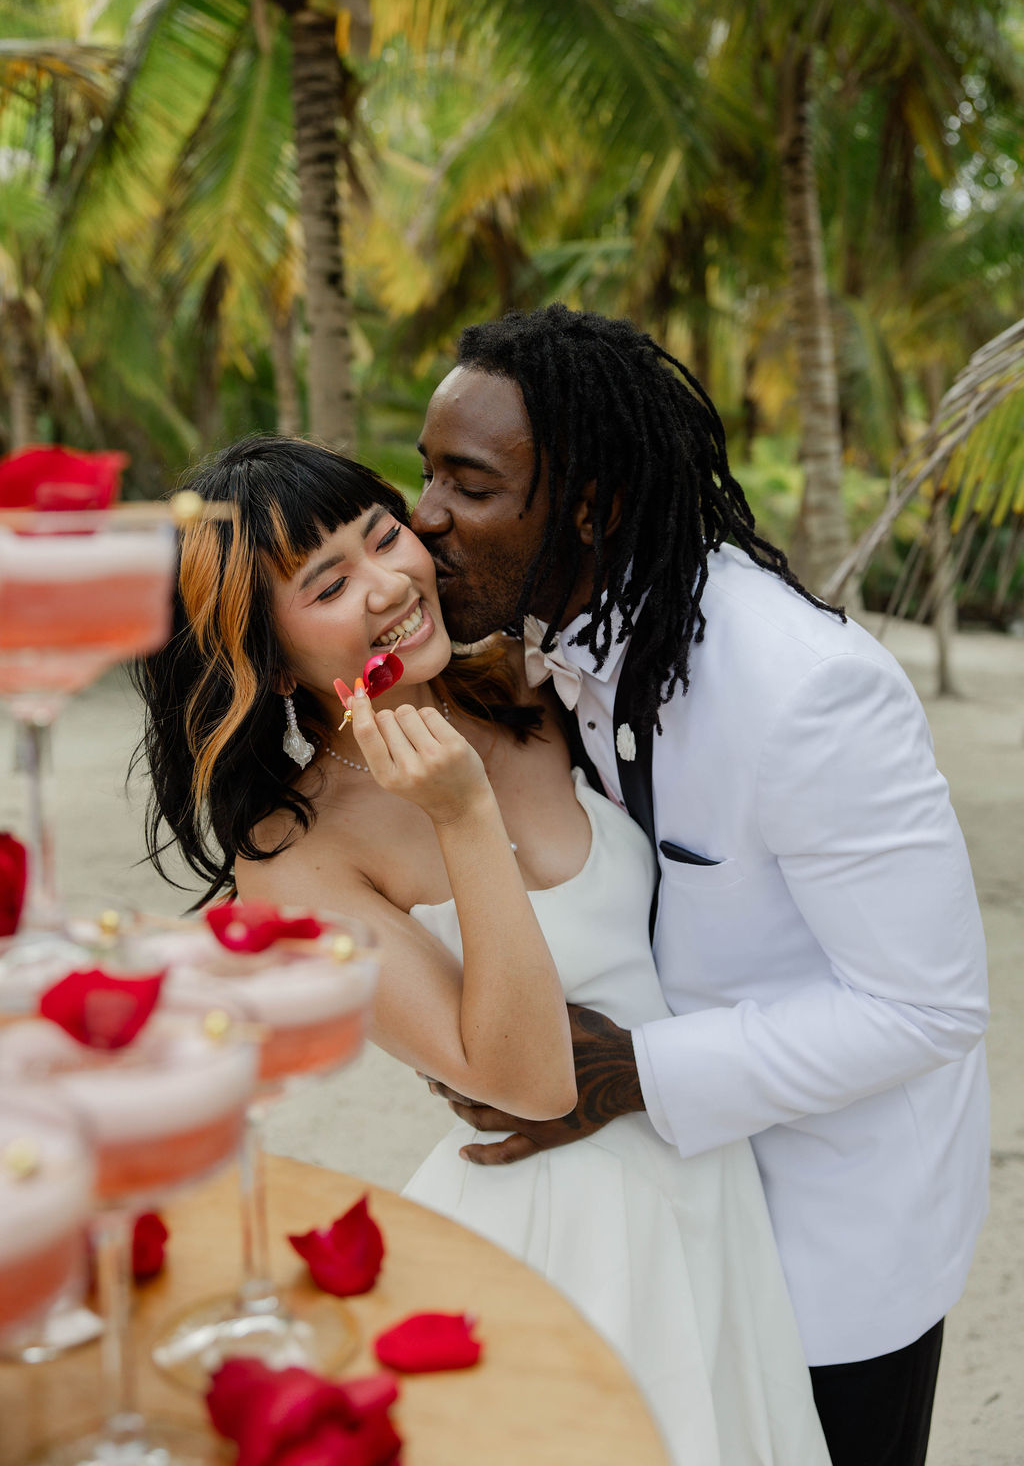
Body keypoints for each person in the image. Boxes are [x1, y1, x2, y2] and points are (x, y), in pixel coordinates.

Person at [135, 435, 830, 1466]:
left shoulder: (531, 685)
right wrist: (463, 819)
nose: (388, 584)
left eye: (384, 538)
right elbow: (529, 1081)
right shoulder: (296, 857)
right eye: (330, 584)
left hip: (709, 1183)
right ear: (270, 658)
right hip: (560, 1229)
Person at [409, 304, 990, 1466]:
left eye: (467, 486)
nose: (423, 518)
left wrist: (629, 1073)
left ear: (591, 506)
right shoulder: (535, 649)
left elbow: (927, 1006)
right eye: (426, 474)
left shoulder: (805, 690)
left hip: (823, 1237)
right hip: (656, 1218)